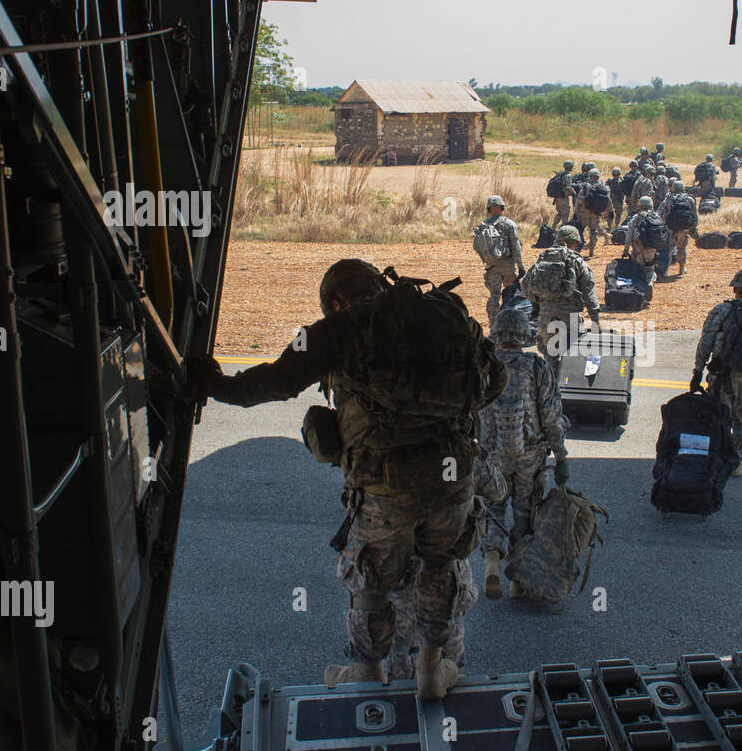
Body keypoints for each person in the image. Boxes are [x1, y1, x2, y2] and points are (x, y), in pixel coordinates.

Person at [185, 259, 507, 700]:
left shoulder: (341, 329)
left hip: (385, 485)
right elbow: (495, 380)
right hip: (453, 482)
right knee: (440, 564)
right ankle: (433, 668)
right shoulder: (440, 315)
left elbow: (276, 383)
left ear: (335, 301)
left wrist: (214, 383)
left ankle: (368, 669)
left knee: (370, 577)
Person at [387, 445, 506, 680]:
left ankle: (399, 690)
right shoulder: (454, 447)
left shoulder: (383, 441)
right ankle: (437, 683)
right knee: (448, 653)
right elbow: (498, 490)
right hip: (446, 574)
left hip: (395, 571)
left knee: (399, 646)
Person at [477, 308, 570, 600]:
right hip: (530, 455)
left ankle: (492, 561)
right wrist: (561, 456)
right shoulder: (536, 366)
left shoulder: (481, 366)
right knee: (526, 512)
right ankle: (518, 580)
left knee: (493, 509)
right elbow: (552, 415)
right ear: (522, 335)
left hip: (492, 455)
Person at [692, 269, 742, 475]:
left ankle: (719, 456)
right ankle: (739, 457)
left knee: (720, 414)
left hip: (723, 373)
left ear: (734, 287)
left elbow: (706, 342)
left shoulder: (722, 310)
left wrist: (697, 370)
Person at [522, 225, 601, 378]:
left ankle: (552, 391)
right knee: (571, 359)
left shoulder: (543, 259)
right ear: (575, 242)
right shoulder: (576, 261)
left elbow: (525, 285)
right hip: (569, 318)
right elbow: (589, 292)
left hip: (545, 316)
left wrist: (538, 302)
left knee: (550, 358)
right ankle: (567, 390)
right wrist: (596, 320)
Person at [473, 195, 525, 326]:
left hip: (491, 267)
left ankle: (493, 325)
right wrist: (521, 267)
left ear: (489, 209)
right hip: (508, 265)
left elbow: (477, 246)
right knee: (511, 293)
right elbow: (516, 247)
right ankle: (510, 323)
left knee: (494, 296)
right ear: (502, 207)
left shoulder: (483, 225)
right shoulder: (509, 224)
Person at [622, 196, 669, 285]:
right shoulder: (656, 217)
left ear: (640, 205)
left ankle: (639, 287)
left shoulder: (636, 218)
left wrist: (626, 249)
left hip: (638, 246)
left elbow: (629, 235)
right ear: (651, 205)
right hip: (651, 247)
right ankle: (650, 283)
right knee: (650, 268)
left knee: (638, 267)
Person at [658, 180, 699, 275]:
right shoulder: (690, 199)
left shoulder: (668, 198)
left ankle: (665, 271)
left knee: (668, 249)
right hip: (684, 228)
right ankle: (681, 268)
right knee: (681, 248)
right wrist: (692, 228)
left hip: (670, 227)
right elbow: (694, 216)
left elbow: (661, 213)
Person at [577, 168, 610, 257]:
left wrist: (583, 205)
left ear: (590, 176)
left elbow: (579, 198)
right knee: (593, 231)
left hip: (585, 212)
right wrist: (606, 211)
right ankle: (591, 253)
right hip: (596, 213)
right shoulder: (602, 187)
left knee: (580, 230)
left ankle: (577, 251)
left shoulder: (586, 186)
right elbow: (607, 200)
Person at [550, 160, 576, 228]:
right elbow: (569, 187)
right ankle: (564, 229)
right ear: (571, 167)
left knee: (560, 213)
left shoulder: (560, 174)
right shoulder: (568, 175)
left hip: (557, 197)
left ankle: (553, 227)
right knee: (565, 214)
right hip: (563, 198)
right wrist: (574, 194)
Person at [606, 166, 626, 234]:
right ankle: (609, 225)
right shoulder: (609, 181)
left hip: (619, 199)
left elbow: (624, 190)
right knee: (610, 213)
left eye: (617, 175)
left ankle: (616, 225)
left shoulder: (622, 181)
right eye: (614, 175)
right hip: (611, 199)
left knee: (619, 213)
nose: (616, 176)